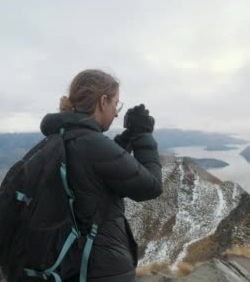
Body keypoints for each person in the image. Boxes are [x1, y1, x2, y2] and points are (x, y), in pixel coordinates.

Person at [39, 68, 163, 282]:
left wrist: (127, 138)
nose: (116, 112)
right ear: (103, 101)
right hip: (100, 268)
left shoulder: (60, 137)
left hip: (70, 264)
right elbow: (151, 187)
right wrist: (144, 136)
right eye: (116, 103)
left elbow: (98, 171)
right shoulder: (91, 144)